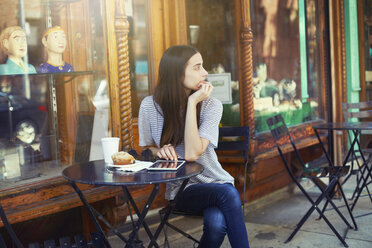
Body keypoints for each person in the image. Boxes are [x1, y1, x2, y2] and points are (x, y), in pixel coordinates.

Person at [138, 45, 250, 248]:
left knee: (216, 226)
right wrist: (159, 151)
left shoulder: (211, 105)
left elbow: (192, 152)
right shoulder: (149, 106)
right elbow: (145, 149)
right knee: (227, 195)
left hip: (216, 182)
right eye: (197, 67)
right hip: (181, 190)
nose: (205, 72)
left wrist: (192, 103)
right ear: (176, 72)